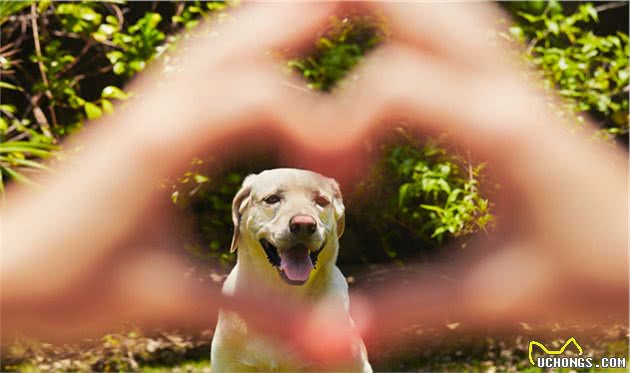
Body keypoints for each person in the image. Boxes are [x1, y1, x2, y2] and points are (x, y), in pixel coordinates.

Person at [2, 2, 627, 367]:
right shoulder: (233, 309)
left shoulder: (333, 287)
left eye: (321, 203)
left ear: (338, 220)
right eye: (275, 202)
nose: (303, 218)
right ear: (242, 215)